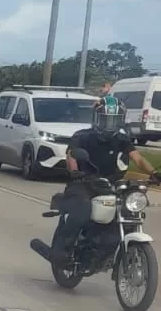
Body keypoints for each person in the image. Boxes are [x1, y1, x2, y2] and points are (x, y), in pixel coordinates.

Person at [51, 94, 153, 258]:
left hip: (111, 185)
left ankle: (111, 246)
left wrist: (154, 173)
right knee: (82, 209)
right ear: (97, 118)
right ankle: (64, 249)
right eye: (105, 119)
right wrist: (75, 172)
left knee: (129, 210)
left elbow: (138, 158)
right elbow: (71, 155)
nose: (109, 124)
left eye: (114, 120)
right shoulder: (82, 136)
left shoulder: (122, 139)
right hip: (83, 182)